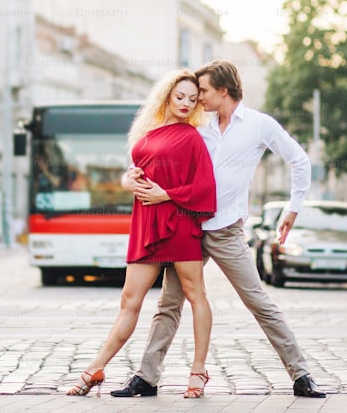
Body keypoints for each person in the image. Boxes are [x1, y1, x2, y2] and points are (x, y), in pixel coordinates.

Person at [114, 60, 326, 399]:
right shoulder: (199, 126)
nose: (198, 99)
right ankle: (146, 377)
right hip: (189, 227)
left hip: (226, 230)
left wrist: (294, 206)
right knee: (169, 305)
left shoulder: (259, 125)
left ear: (223, 91)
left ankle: (301, 374)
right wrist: (132, 177)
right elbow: (161, 158)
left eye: (205, 92)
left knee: (258, 301)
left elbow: (298, 160)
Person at [67, 70, 216, 398]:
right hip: (146, 224)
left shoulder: (192, 136)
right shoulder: (147, 132)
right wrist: (126, 180)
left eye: (192, 99)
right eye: (180, 96)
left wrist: (166, 195)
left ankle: (197, 371)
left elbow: (205, 187)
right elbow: (139, 169)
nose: (186, 103)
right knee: (128, 300)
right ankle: (96, 368)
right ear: (166, 95)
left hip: (178, 224)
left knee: (196, 296)